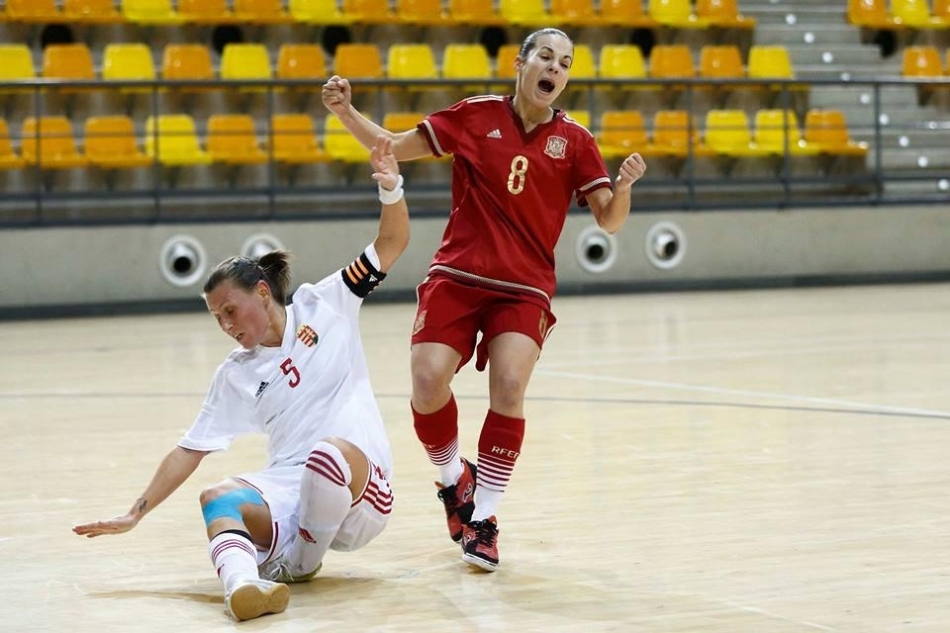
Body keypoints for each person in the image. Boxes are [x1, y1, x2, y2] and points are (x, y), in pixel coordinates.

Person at [322, 28, 647, 572]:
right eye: (546, 56)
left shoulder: (577, 141)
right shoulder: (475, 115)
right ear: (521, 63)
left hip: (525, 286)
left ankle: (485, 518)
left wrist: (627, 185)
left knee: (511, 384)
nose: (555, 68)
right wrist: (345, 113)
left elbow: (610, 221)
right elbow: (395, 145)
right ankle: (454, 481)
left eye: (565, 63)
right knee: (427, 379)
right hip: (458, 273)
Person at [73, 137, 410, 621]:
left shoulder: (326, 302)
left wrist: (392, 189)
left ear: (261, 291)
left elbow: (392, 242)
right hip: (294, 490)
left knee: (326, 455)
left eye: (230, 310)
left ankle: (297, 564)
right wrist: (135, 513)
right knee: (217, 497)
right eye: (217, 318)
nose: (227, 324)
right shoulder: (236, 374)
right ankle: (242, 588)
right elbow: (190, 449)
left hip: (362, 492)